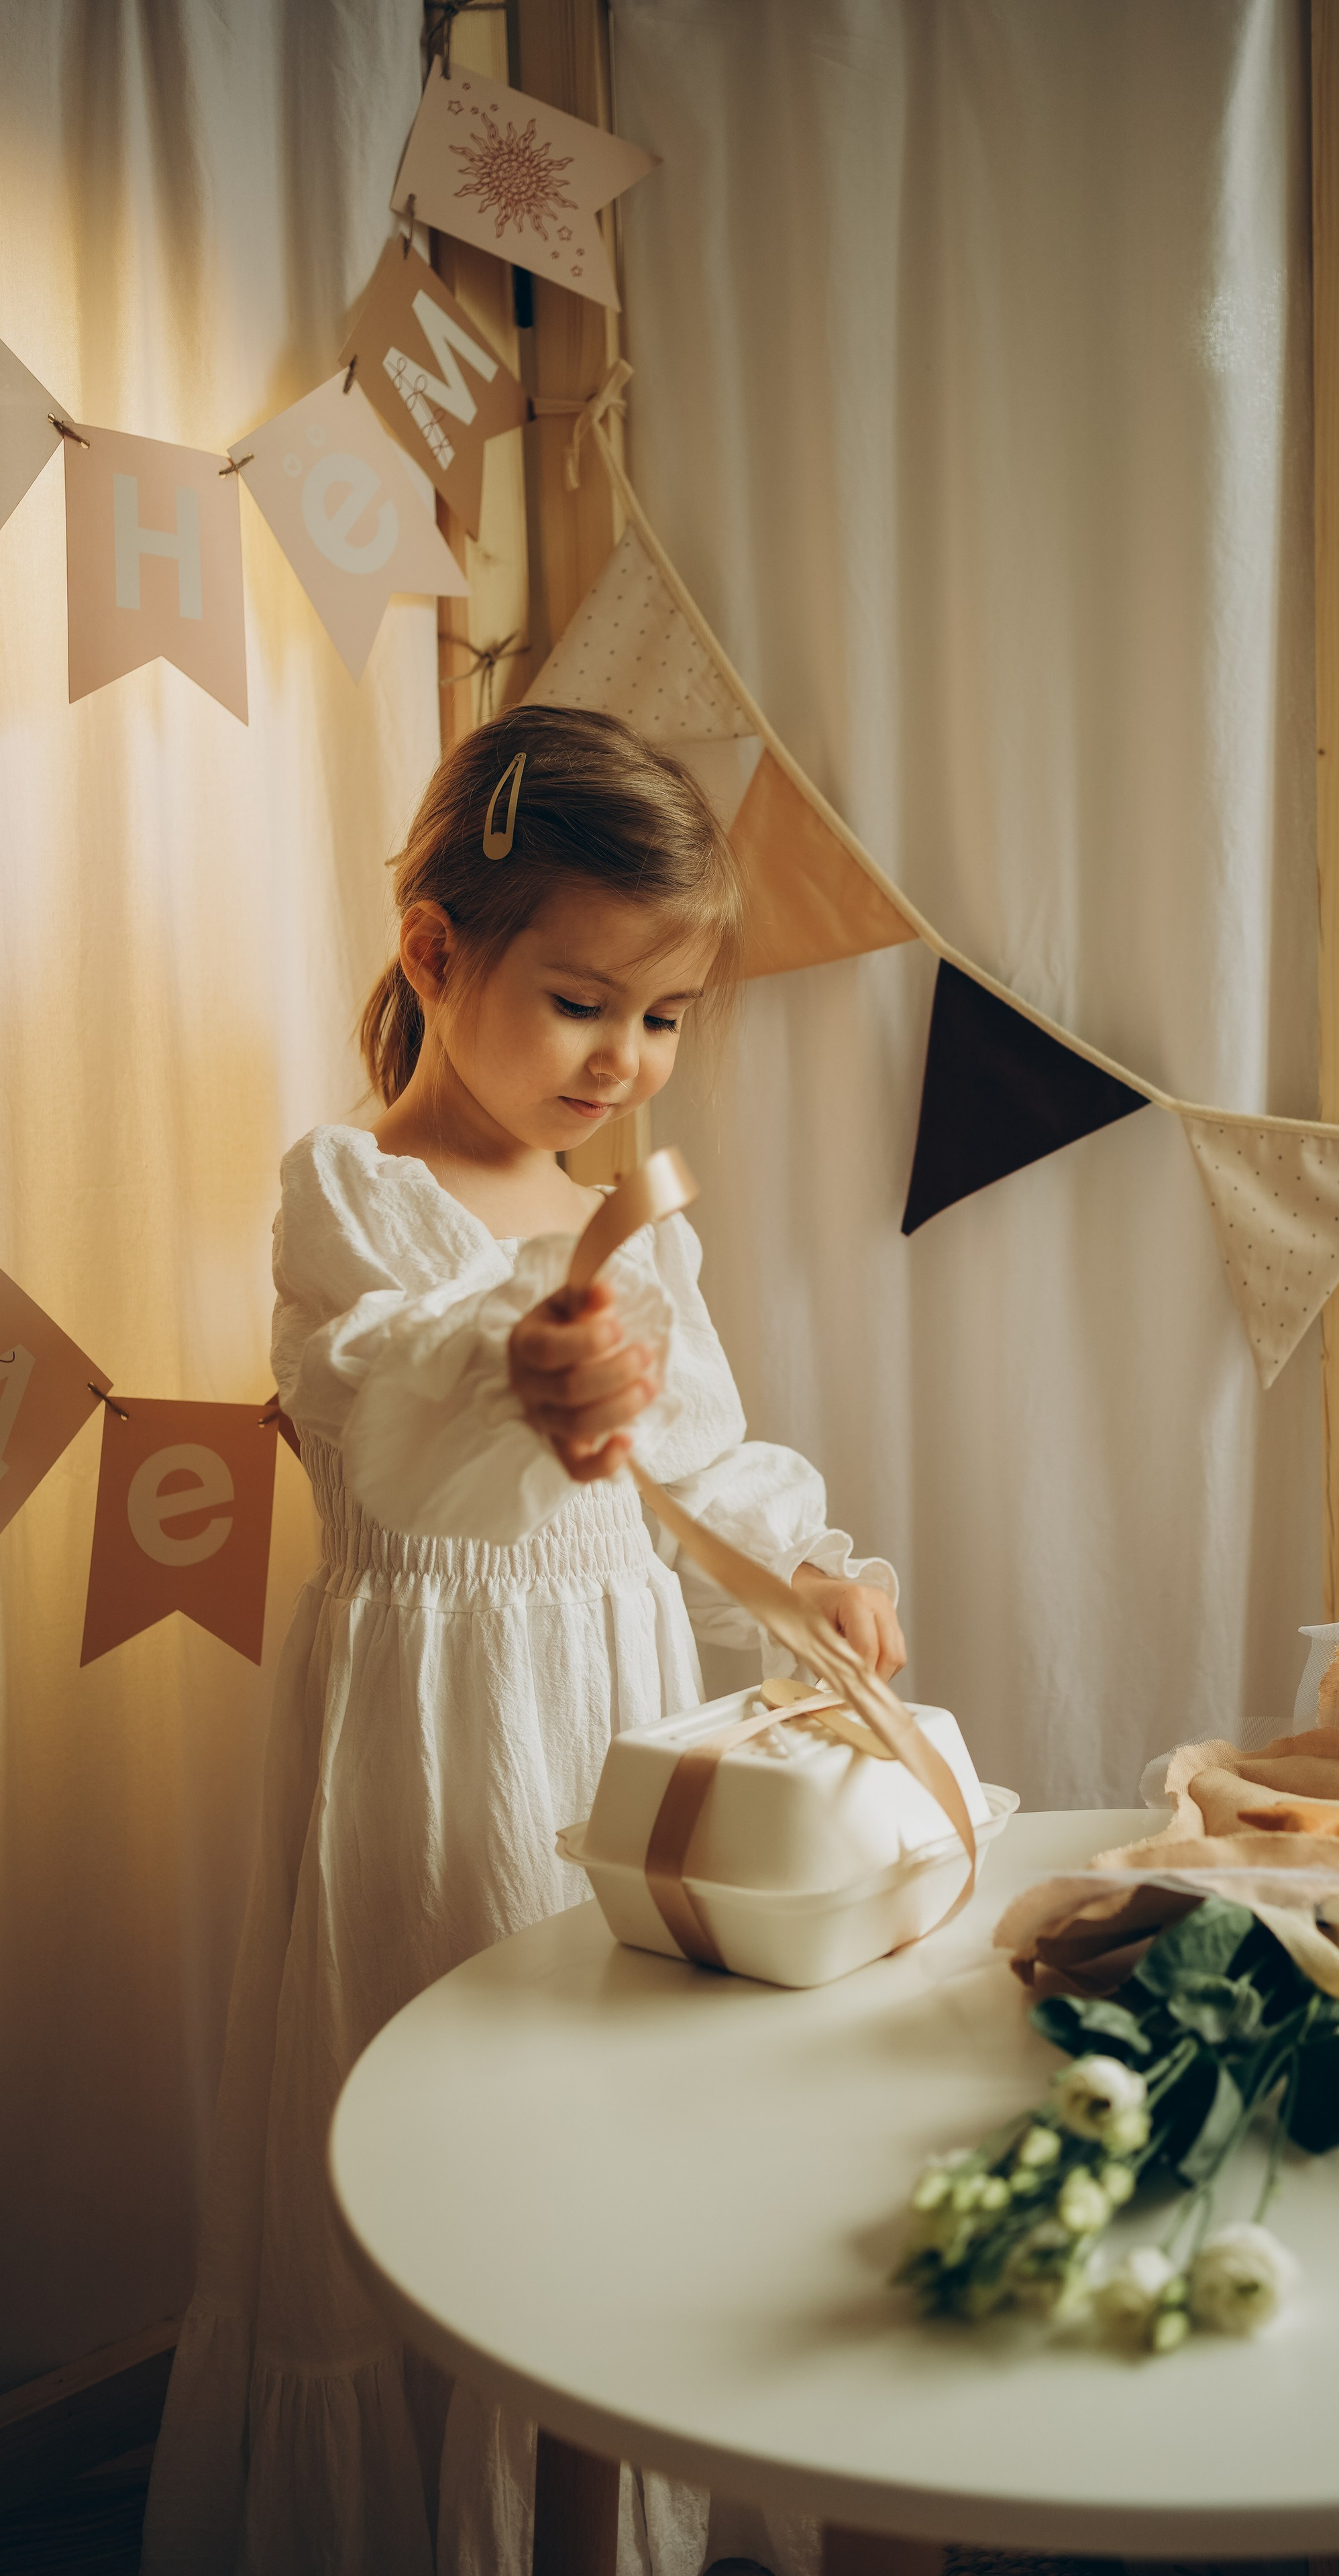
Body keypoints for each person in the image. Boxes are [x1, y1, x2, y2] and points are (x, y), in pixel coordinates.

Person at [142, 705, 905, 2576]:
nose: (625, 1065)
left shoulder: (628, 1228)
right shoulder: (355, 1197)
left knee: (619, 2125)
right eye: (582, 1004)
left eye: (662, 1022)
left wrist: (802, 1575)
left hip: (618, 1725)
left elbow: (693, 1466)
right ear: (435, 952)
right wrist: (521, 1358)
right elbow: (386, 1410)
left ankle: (605, 2496)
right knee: (448, 2135)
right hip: (433, 1747)